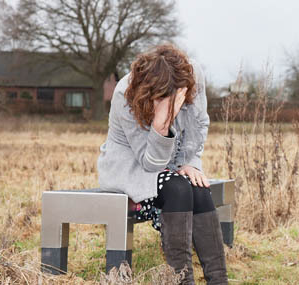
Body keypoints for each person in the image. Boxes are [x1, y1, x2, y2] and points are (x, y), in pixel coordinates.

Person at [97, 44, 228, 284]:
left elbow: (199, 125)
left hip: (173, 163)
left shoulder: (192, 75)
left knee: (197, 187)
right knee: (177, 188)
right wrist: (161, 123)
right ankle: (180, 280)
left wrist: (190, 163)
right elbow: (150, 164)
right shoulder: (124, 93)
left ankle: (219, 280)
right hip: (131, 168)